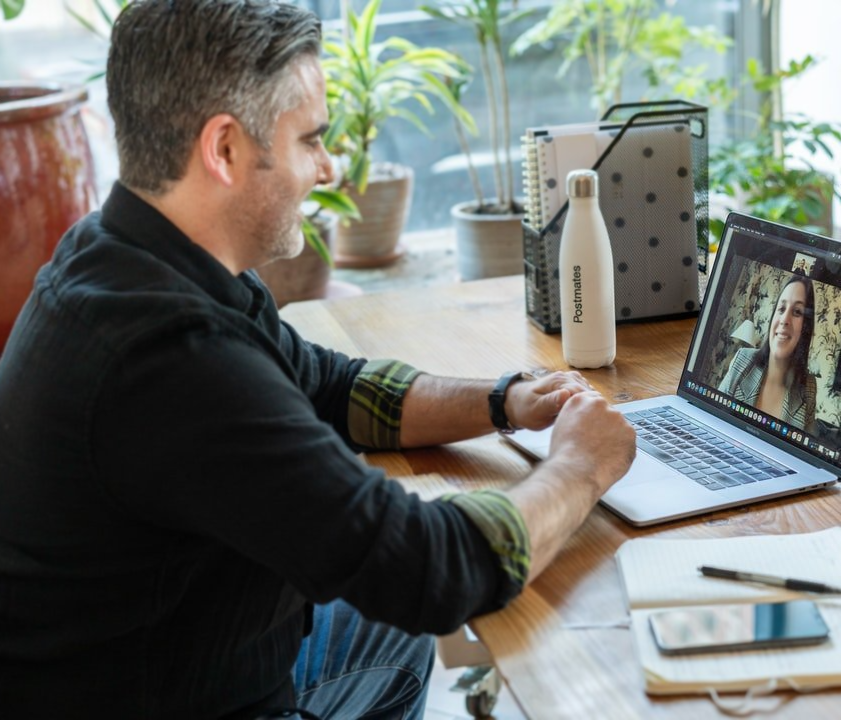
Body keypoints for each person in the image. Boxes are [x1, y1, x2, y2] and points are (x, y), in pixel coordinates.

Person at [0, 1, 636, 718]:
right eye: (310, 140)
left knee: (389, 628)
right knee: (431, 607)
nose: (327, 167)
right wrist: (582, 465)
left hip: (167, 654)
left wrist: (504, 399)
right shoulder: (173, 359)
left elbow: (330, 385)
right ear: (225, 149)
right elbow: (431, 570)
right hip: (180, 699)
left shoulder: (128, 252)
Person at [718, 274, 817, 430]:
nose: (785, 319)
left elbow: (805, 448)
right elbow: (712, 415)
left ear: (805, 327)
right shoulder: (742, 359)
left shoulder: (809, 387)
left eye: (797, 312)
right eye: (781, 308)